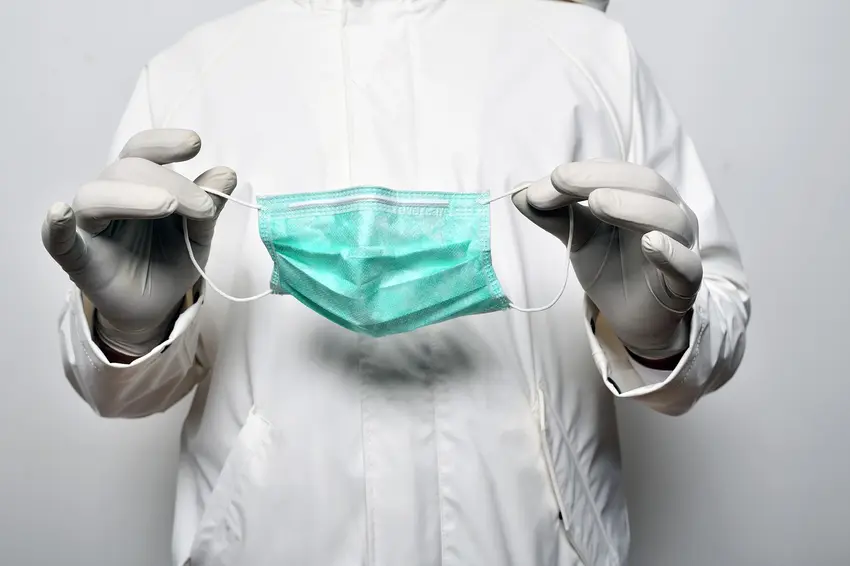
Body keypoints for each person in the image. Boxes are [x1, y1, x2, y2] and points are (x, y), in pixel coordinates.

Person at [40, 0, 751, 564]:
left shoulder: (587, 55)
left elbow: (719, 311)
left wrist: (660, 334)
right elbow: (118, 391)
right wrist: (126, 332)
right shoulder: (193, 74)